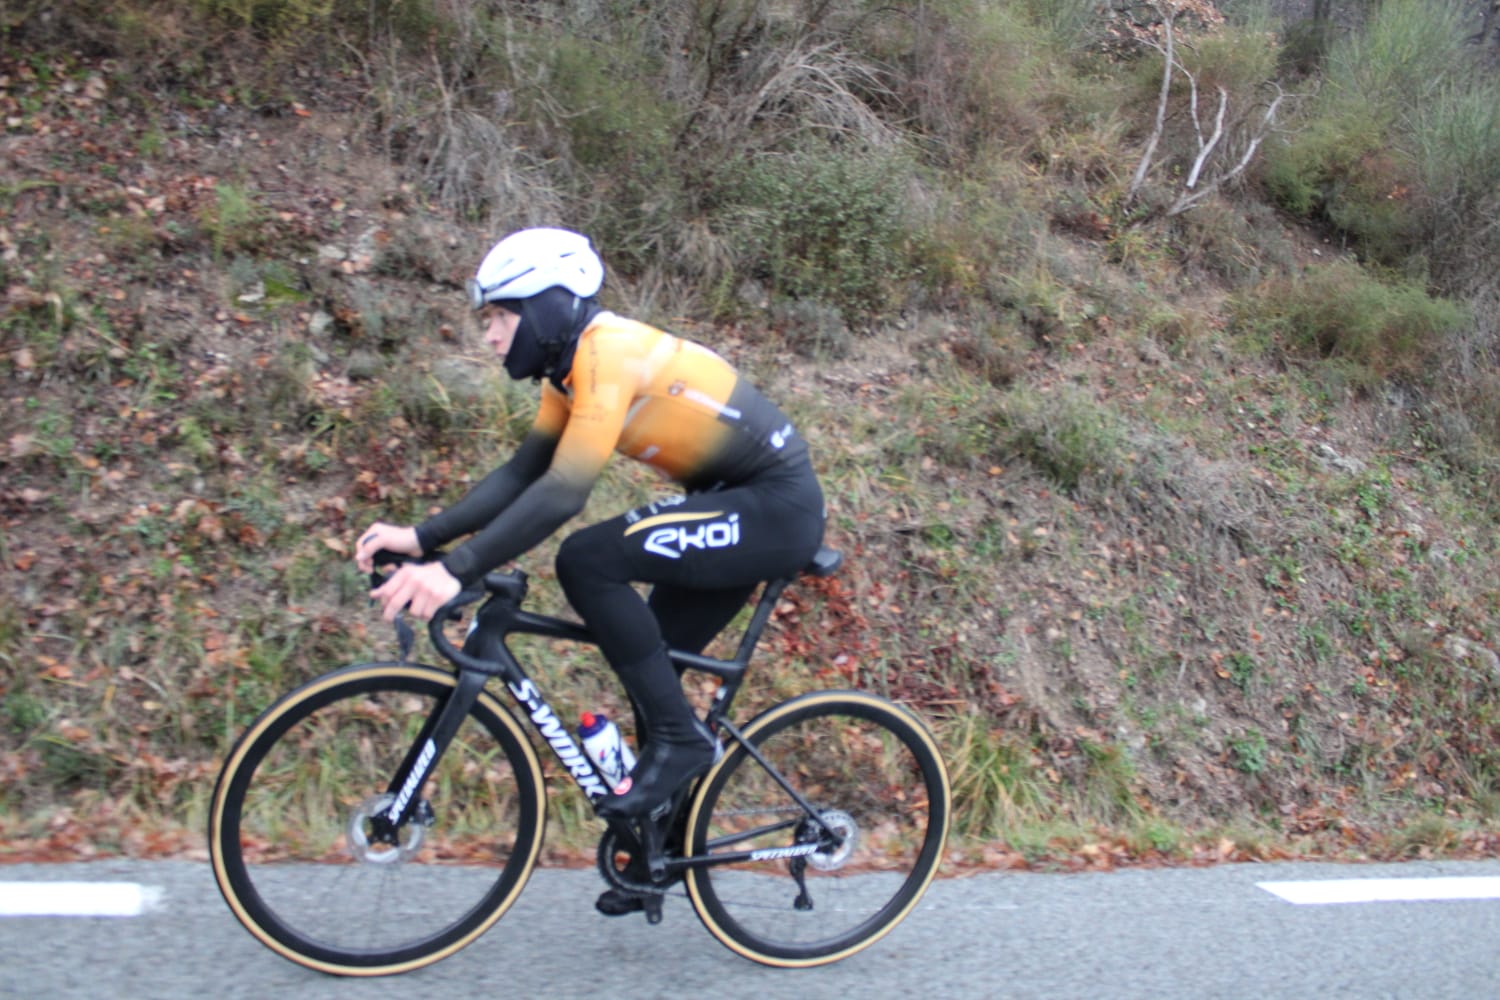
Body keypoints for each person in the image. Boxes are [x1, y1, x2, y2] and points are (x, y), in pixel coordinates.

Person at [353, 227, 825, 910]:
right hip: (731, 503)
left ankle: (681, 743)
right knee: (653, 672)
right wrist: (423, 537)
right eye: (488, 320)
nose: (491, 336)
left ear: (548, 307)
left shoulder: (609, 352)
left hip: (775, 508)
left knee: (586, 558)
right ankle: (656, 857)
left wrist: (454, 570)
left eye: (502, 316)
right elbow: (524, 472)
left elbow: (565, 491)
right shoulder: (570, 372)